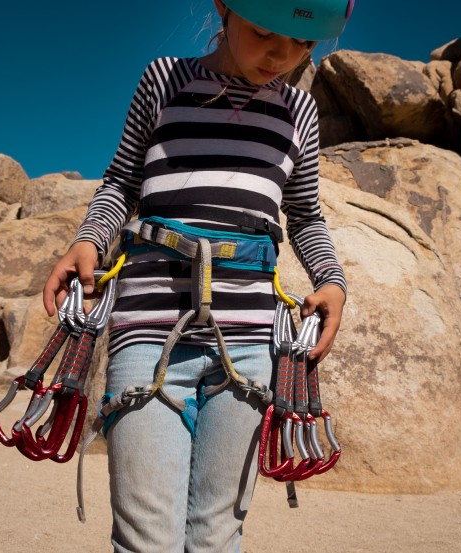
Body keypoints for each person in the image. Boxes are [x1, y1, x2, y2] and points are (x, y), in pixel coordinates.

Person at [42, 0, 353, 551]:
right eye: (264, 32)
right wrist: (87, 239)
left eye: (303, 44)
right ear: (224, 7)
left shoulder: (299, 112)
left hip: (252, 343)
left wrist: (332, 280)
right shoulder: (165, 80)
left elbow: (304, 216)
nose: (281, 55)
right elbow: (121, 182)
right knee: (146, 536)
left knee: (217, 531)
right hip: (148, 331)